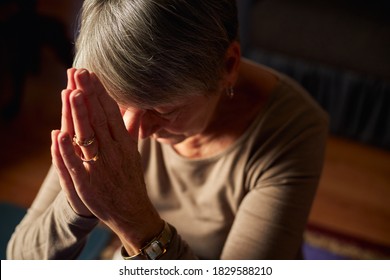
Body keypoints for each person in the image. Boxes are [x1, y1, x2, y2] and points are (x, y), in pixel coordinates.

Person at [7, 0, 328, 260]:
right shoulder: (103, 102)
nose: (134, 132)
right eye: (119, 102)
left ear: (227, 67)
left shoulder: (296, 129)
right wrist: (80, 200)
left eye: (163, 111)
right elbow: (20, 260)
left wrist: (134, 221)